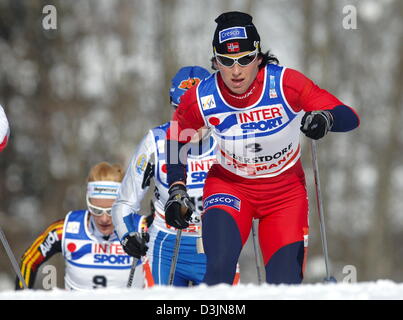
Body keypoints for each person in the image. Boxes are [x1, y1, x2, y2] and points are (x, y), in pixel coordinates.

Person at [165, 11, 360, 285]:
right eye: (226, 61)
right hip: (230, 187)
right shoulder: (202, 96)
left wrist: (326, 118)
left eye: (245, 59)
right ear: (215, 61)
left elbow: (350, 116)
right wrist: (176, 187)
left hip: (284, 193)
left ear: (258, 56)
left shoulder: (284, 84)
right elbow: (176, 137)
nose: (236, 71)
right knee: (219, 270)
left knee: (285, 283)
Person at [112, 66, 240, 286]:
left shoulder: (231, 138)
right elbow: (124, 202)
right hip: (165, 246)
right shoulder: (157, 141)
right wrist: (127, 236)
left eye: (198, 112)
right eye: (182, 111)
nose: (191, 121)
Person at [16, 162, 153, 290]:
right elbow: (29, 260)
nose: (104, 219)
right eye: (96, 210)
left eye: (112, 211)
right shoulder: (65, 229)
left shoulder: (142, 228)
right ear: (88, 202)